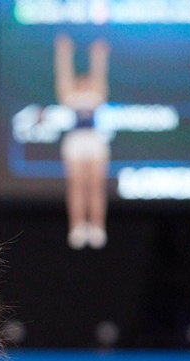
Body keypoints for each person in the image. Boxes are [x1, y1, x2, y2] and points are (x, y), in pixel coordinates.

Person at [55, 34, 112, 250]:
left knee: (96, 185)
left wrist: (98, 56)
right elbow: (64, 76)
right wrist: (64, 54)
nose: (83, 81)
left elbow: (100, 75)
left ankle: (97, 226)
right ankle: (77, 226)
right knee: (77, 185)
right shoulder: (70, 95)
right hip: (76, 141)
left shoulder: (97, 93)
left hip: (94, 140)